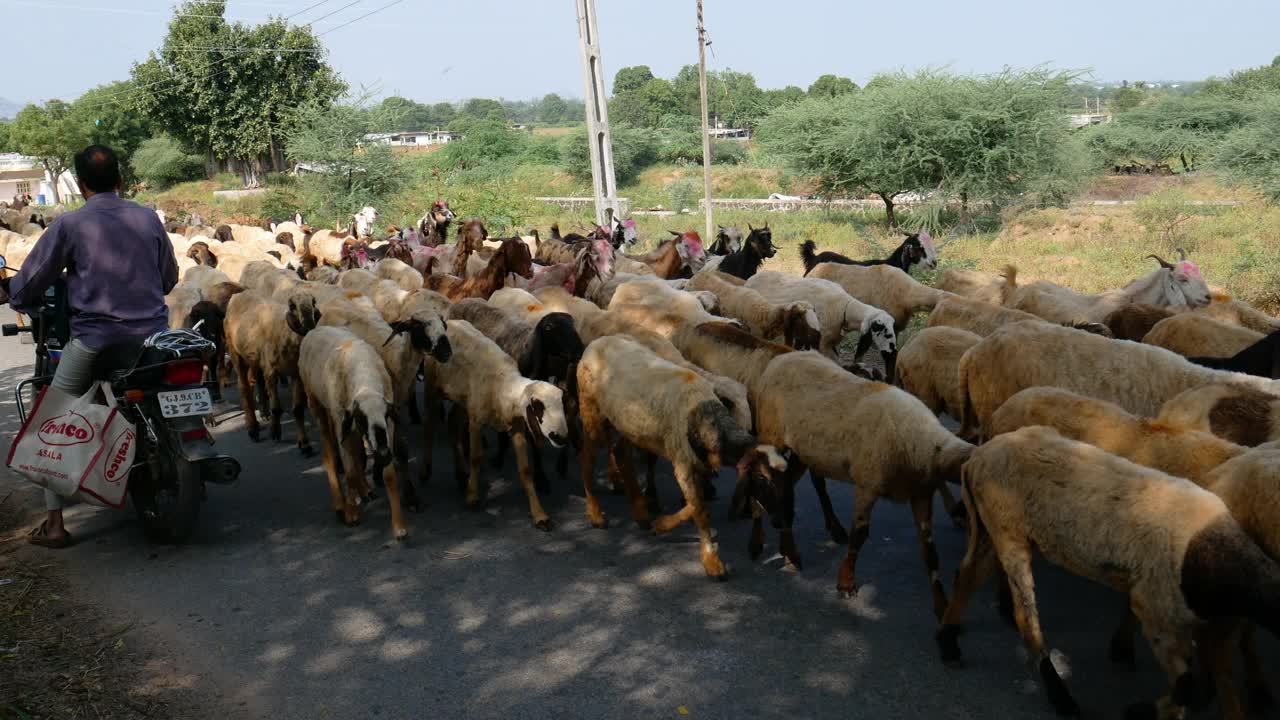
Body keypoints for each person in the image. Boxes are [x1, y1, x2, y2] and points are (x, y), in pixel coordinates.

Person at [0, 145, 178, 548]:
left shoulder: (70, 225)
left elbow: (32, 280)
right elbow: (168, 277)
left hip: (94, 341)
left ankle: (55, 524)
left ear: (80, 186)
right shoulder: (148, 217)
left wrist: (19, 298)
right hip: (150, 337)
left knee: (55, 416)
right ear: (121, 180)